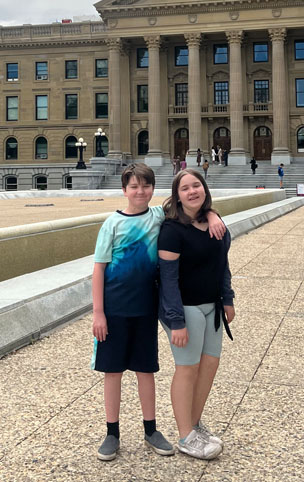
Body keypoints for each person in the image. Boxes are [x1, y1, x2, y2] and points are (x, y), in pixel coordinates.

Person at [91, 163, 226, 462]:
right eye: (134, 187)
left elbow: (190, 210)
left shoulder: (157, 217)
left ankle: (150, 429)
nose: (140, 192)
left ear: (153, 189)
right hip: (114, 309)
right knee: (112, 371)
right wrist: (98, 312)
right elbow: (98, 269)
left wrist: (213, 213)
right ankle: (112, 432)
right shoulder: (111, 223)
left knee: (145, 369)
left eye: (146, 186)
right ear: (124, 190)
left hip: (146, 308)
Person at [157, 169, 235, 460]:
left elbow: (221, 264)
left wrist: (227, 298)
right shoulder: (171, 230)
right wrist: (176, 321)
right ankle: (185, 436)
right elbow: (168, 278)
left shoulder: (214, 224)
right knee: (187, 369)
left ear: (204, 189)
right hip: (185, 308)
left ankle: (195, 423)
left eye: (196, 185)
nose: (192, 191)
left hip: (212, 306)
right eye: (185, 188)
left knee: (209, 366)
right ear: (177, 196)